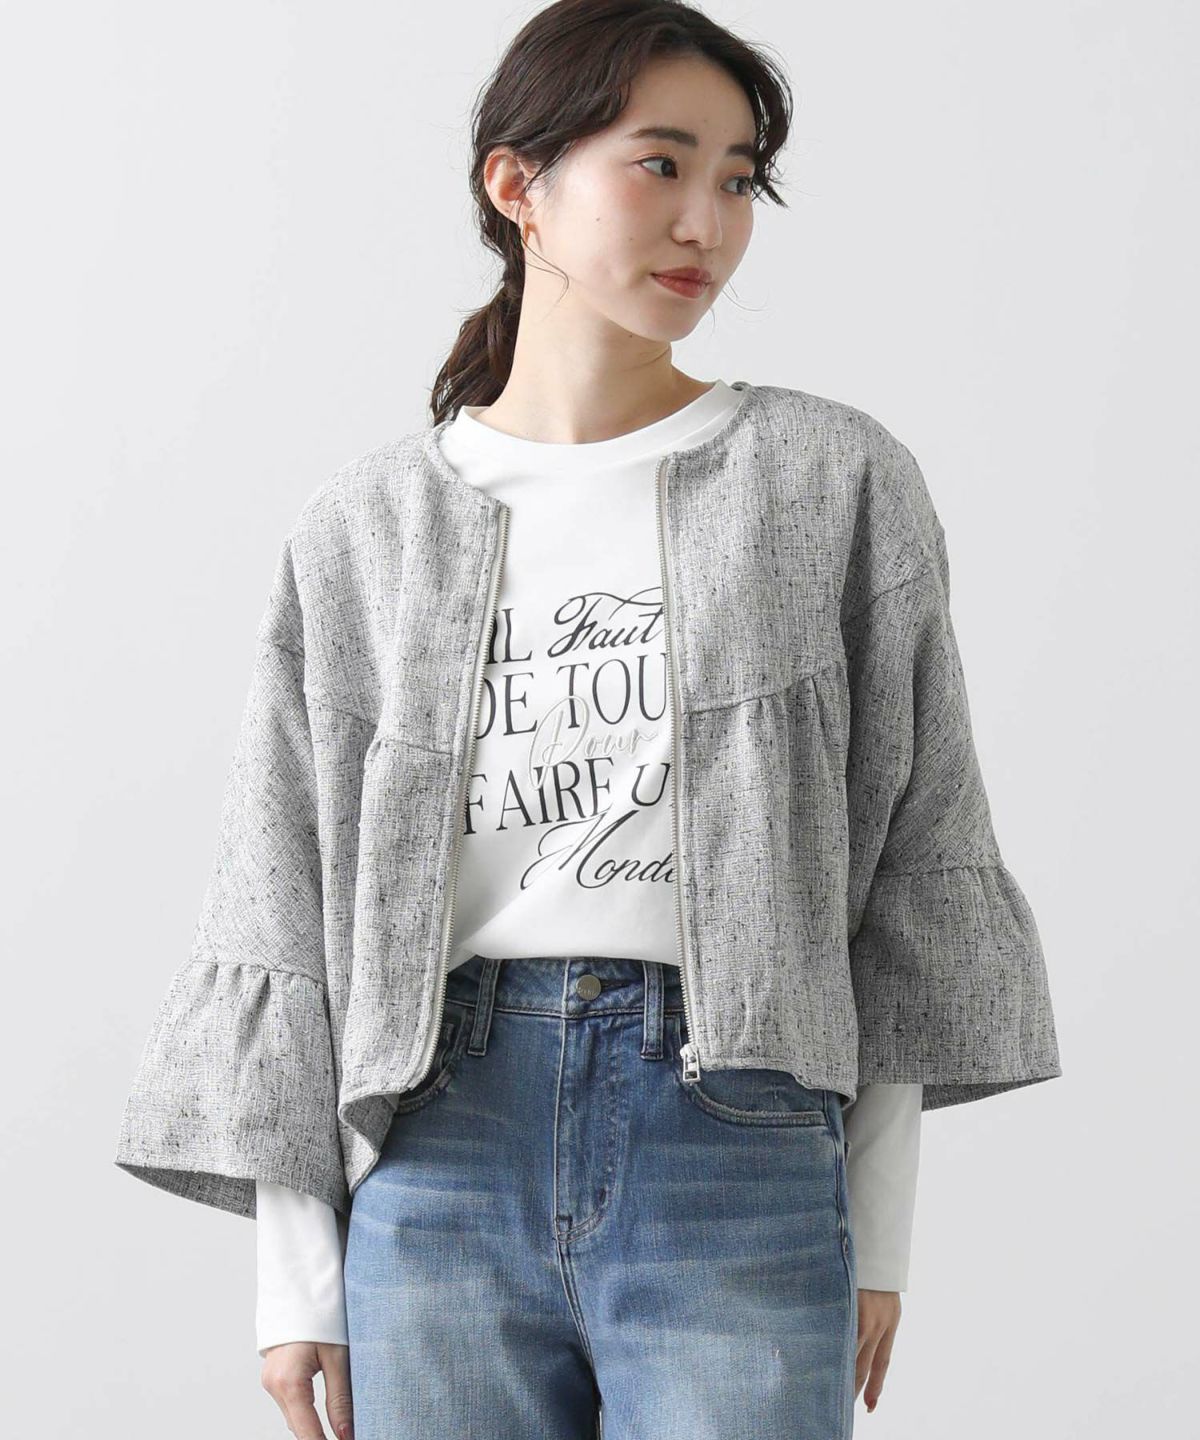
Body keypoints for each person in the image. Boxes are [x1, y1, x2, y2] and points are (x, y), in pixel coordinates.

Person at [113, 2, 1062, 1437]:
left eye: (739, 179)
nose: (706, 223)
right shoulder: (368, 525)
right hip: (437, 1154)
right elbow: (282, 888)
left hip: (740, 1143)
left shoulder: (831, 481)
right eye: (660, 164)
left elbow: (907, 863)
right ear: (519, 185)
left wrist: (877, 1229)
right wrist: (297, 1279)